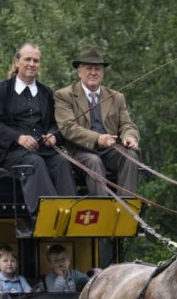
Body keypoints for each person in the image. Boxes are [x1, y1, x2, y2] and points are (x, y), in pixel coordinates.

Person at [0, 43, 76, 216]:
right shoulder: (1, 90)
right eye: (28, 59)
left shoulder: (46, 93)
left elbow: (56, 124)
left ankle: (71, 215)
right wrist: (18, 138)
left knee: (62, 162)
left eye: (36, 61)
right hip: (10, 152)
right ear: (17, 62)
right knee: (34, 162)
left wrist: (53, 135)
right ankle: (48, 216)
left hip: (43, 149)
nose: (32, 64)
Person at [54, 47, 140, 196]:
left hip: (110, 150)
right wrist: (98, 139)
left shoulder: (116, 97)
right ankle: (102, 207)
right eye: (89, 68)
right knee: (94, 161)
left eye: (97, 69)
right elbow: (68, 127)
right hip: (80, 152)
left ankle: (126, 205)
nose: (93, 72)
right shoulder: (64, 95)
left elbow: (127, 124)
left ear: (102, 73)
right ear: (79, 72)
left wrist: (129, 137)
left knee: (130, 156)